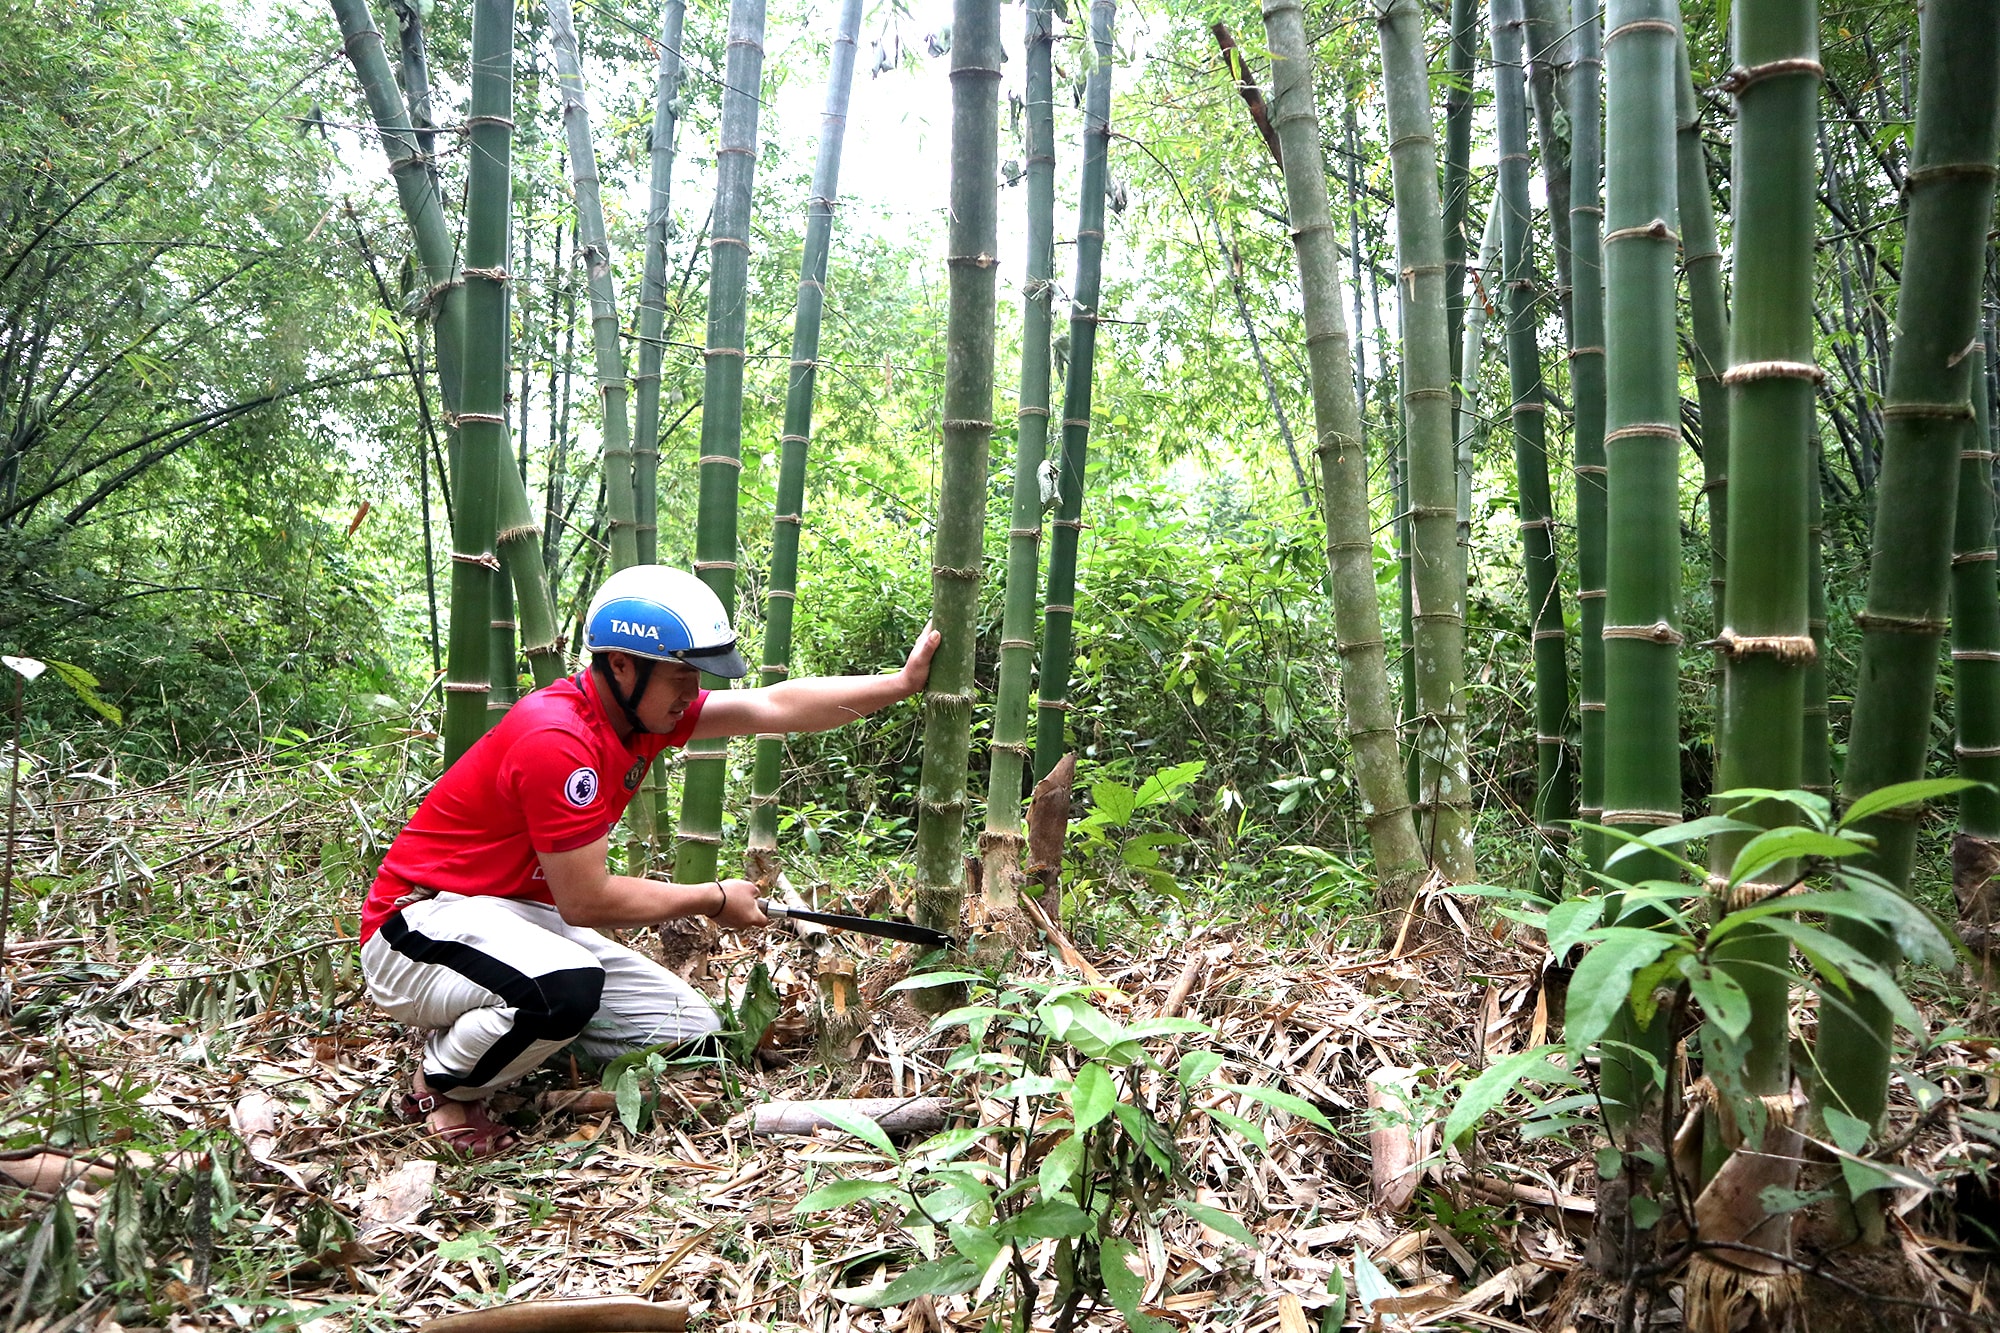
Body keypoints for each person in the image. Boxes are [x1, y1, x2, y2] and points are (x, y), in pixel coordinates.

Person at [358, 564, 940, 1156]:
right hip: (416, 928)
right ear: (620, 665)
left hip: (511, 921)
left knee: (693, 1031)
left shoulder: (639, 715)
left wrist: (898, 684)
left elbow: (771, 705)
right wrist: (713, 898)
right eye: (681, 677)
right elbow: (587, 900)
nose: (692, 693)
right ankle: (440, 1082)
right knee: (565, 987)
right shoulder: (558, 738)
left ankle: (511, 1032)